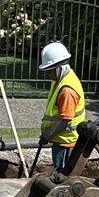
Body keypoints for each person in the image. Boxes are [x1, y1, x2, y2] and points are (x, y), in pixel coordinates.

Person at [37, 41, 85, 171]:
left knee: (61, 175)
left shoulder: (67, 90)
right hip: (60, 139)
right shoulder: (60, 79)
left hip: (66, 143)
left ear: (60, 67)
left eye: (49, 70)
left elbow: (65, 121)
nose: (48, 74)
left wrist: (48, 136)